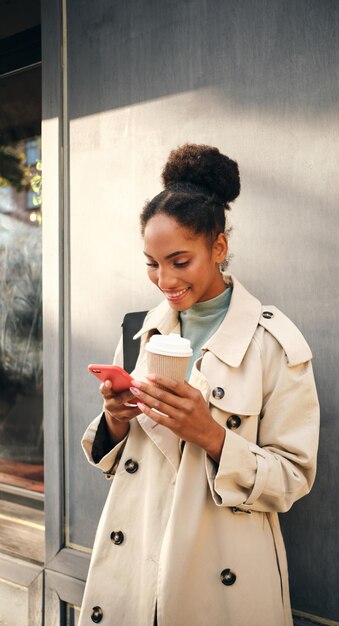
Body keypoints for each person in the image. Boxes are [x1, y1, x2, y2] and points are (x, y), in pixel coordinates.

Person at [79, 144, 320, 626]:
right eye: (151, 262)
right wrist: (115, 418)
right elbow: (120, 463)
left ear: (219, 248)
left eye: (179, 261)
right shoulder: (138, 329)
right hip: (133, 559)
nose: (163, 279)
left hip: (220, 578)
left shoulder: (273, 344)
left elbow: (294, 478)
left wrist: (210, 435)